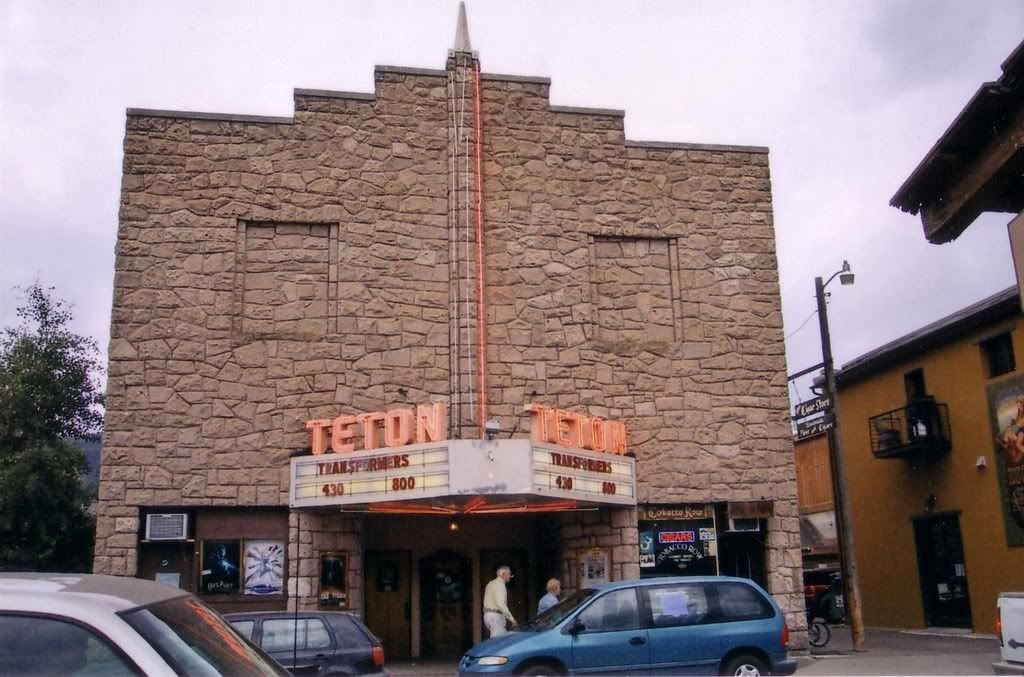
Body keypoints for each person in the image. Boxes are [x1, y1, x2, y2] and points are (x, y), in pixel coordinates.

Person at [483, 566, 516, 637]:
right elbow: (501, 605)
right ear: (503, 574)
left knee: (502, 638)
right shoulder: (500, 585)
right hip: (495, 617)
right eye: (509, 574)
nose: (510, 576)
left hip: (488, 616)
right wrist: (512, 619)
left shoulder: (490, 583)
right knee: (498, 642)